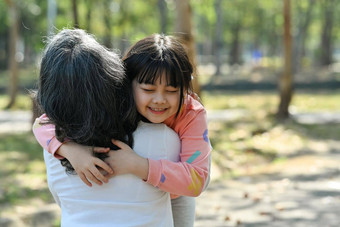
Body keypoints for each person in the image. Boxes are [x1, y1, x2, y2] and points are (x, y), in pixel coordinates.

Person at [34, 33, 212, 227]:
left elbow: (197, 179)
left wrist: (138, 165)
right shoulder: (120, 99)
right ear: (126, 82)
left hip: (177, 194)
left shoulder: (191, 115)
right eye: (148, 90)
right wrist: (70, 150)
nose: (160, 99)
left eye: (171, 91)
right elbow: (41, 124)